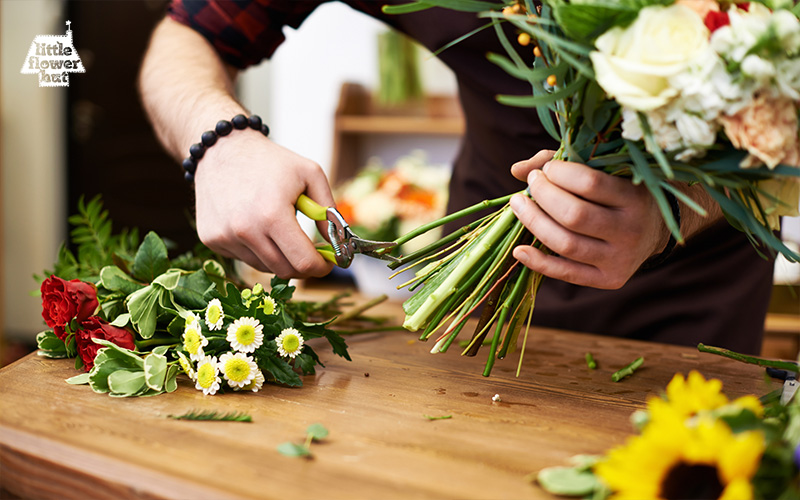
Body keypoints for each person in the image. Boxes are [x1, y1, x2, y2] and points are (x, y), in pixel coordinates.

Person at [139, 0, 774, 354]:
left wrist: (677, 208)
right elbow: (188, 35)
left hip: (690, 289)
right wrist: (219, 143)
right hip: (477, 275)